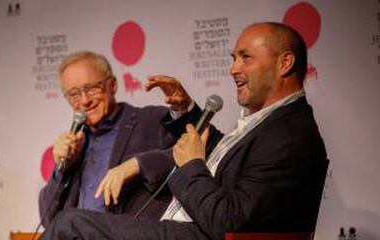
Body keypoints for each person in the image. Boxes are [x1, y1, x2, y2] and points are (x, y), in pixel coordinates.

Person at [40, 22, 328, 240]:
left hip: (194, 231)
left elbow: (231, 223)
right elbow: (219, 155)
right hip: (181, 226)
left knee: (71, 224)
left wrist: (187, 164)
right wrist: (186, 109)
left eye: (245, 57)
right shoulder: (270, 123)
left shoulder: (288, 135)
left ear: (285, 63)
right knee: (65, 223)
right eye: (233, 58)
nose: (233, 69)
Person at [38, 51, 176, 227]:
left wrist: (138, 164)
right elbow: (47, 219)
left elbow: (198, 156)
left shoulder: (152, 120)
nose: (85, 100)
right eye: (74, 94)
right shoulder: (74, 145)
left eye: (92, 88)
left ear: (113, 84)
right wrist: (62, 168)